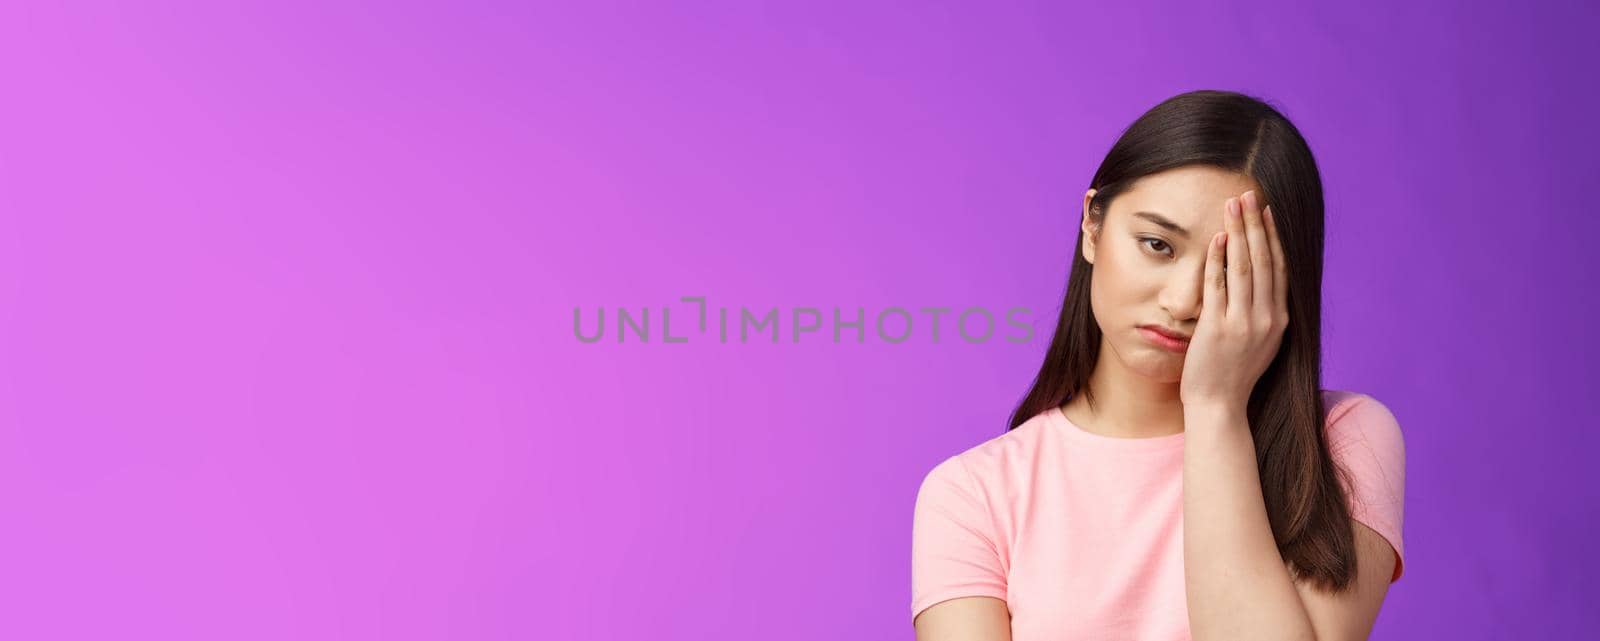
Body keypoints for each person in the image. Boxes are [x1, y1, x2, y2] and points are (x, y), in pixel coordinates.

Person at [910, 90, 1406, 641]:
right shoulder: (972, 494)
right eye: (1158, 245)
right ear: (1092, 226)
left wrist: (1216, 408)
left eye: (1230, 268)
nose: (1184, 301)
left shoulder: (1342, 440)